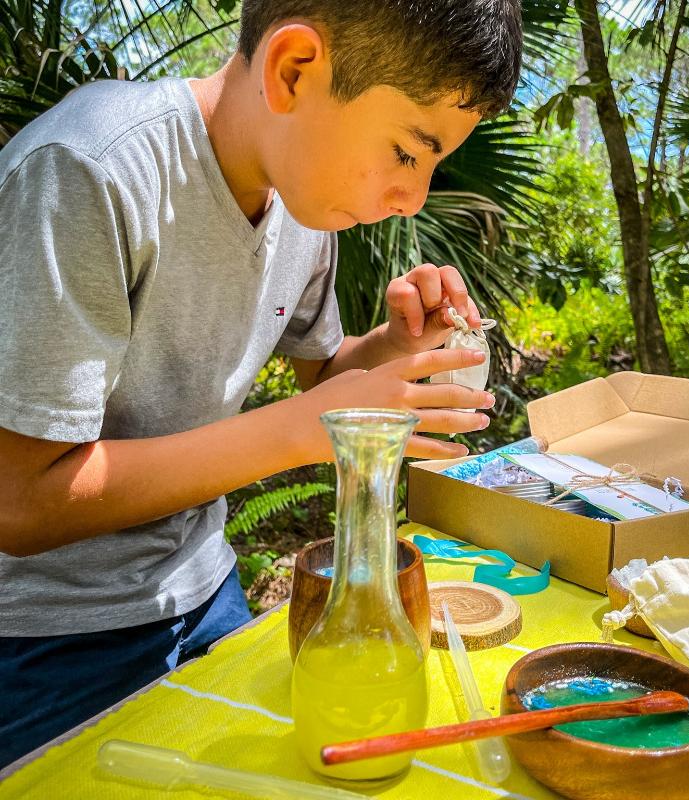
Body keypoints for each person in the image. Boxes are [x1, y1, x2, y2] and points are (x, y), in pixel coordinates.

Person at [0, 0, 523, 768]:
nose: (413, 198)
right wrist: (298, 430)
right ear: (294, 69)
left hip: (207, 593)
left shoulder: (300, 197)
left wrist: (396, 344)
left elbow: (328, 375)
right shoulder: (90, 171)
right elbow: (18, 500)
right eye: (410, 154)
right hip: (49, 638)